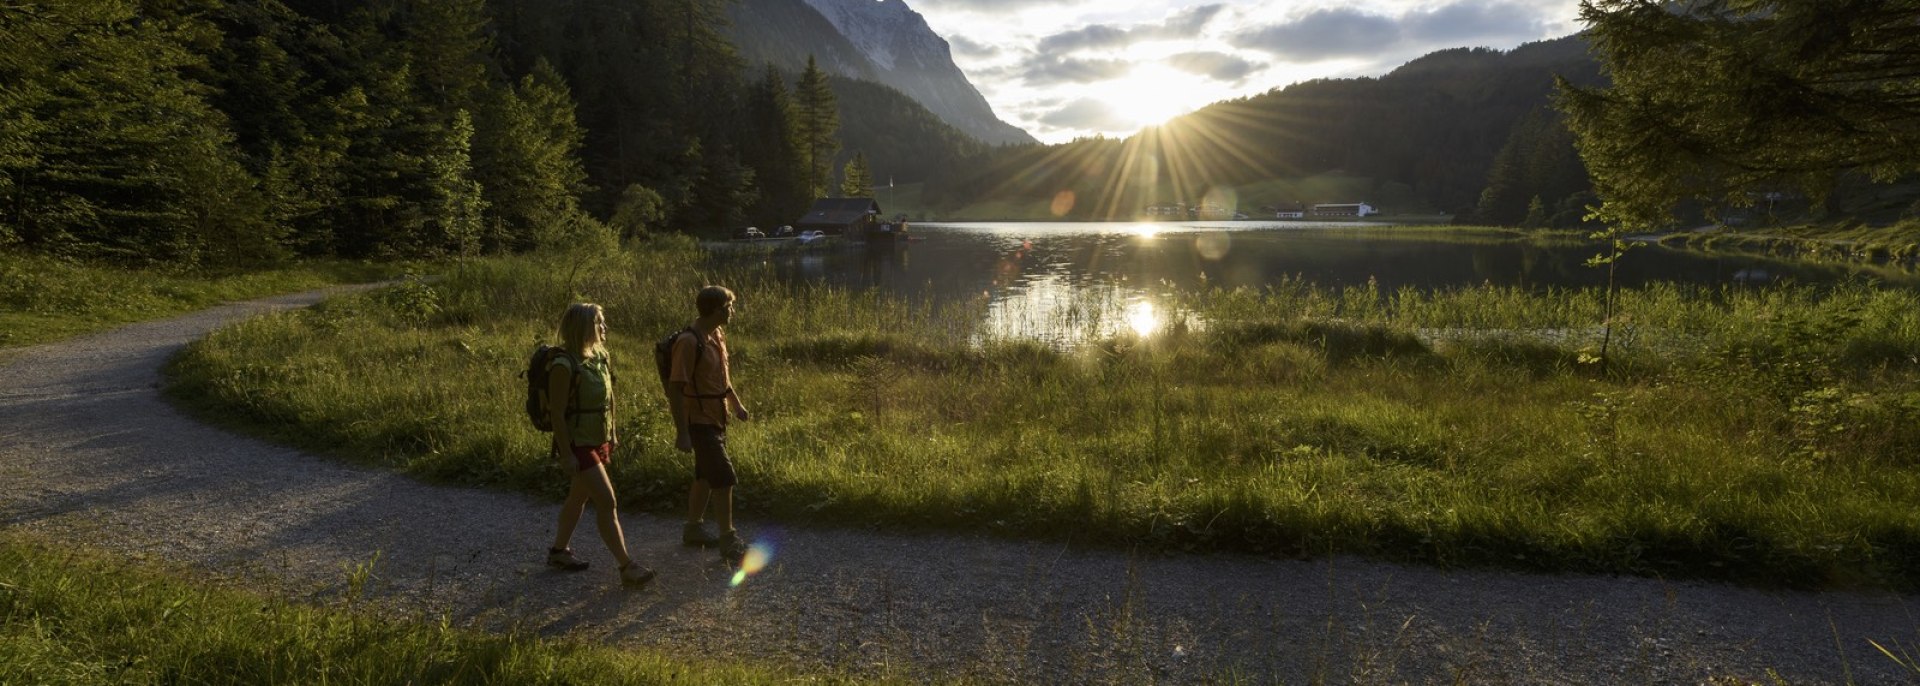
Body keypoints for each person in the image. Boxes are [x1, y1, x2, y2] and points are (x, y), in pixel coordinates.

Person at [545, 302, 656, 587]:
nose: (605, 328)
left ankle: (558, 551)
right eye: (600, 323)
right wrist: (566, 454)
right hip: (578, 443)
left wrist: (613, 433)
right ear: (584, 328)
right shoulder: (563, 365)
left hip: (599, 438)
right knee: (607, 501)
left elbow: (610, 397)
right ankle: (626, 566)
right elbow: (557, 413)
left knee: (578, 497)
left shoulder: (600, 356)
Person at [667, 286, 753, 563]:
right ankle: (729, 540)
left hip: (717, 417)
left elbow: (721, 379)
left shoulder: (716, 335)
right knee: (724, 477)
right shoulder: (689, 342)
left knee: (704, 476)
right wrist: (682, 432)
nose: (733, 311)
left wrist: (736, 405)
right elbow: (676, 388)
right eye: (730, 306)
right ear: (717, 310)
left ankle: (693, 529)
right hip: (698, 420)